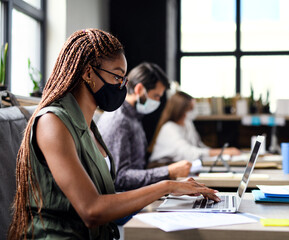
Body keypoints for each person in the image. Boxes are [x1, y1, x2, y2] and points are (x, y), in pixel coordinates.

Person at [7, 29, 219, 239]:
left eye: (124, 79)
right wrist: (167, 185)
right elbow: (91, 210)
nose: (122, 86)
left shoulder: (89, 125)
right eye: (118, 76)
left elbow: (106, 197)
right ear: (88, 72)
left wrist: (165, 200)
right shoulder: (53, 122)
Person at [97, 62, 192, 192]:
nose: (158, 102)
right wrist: (168, 171)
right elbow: (119, 178)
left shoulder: (134, 117)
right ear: (139, 89)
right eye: (156, 96)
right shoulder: (119, 120)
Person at [148, 91, 241, 163]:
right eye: (191, 108)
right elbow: (189, 153)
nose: (194, 111)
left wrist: (219, 153)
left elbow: (198, 146)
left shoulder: (187, 124)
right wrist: (222, 152)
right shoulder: (169, 128)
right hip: (163, 168)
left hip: (181, 166)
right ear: (181, 110)